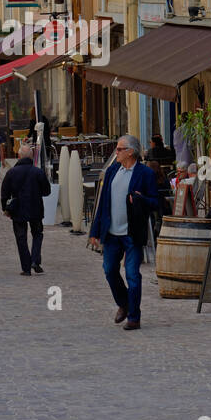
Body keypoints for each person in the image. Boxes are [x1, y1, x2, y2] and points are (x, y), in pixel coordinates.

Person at [88, 135, 158, 331]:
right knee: (110, 270)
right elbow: (102, 203)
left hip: (132, 233)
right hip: (111, 233)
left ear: (130, 152)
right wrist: (95, 231)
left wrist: (140, 199)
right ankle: (125, 303)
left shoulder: (145, 174)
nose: (116, 153)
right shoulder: (112, 171)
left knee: (132, 275)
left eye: (119, 149)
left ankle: (134, 317)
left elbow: (155, 203)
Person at [0, 143, 51, 275]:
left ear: (18, 156)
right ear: (32, 157)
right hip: (36, 207)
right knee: (37, 234)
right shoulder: (38, 172)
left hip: (18, 208)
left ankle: (26, 267)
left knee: (21, 237)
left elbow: (4, 193)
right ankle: (35, 260)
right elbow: (47, 191)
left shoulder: (11, 172)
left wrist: (5, 208)